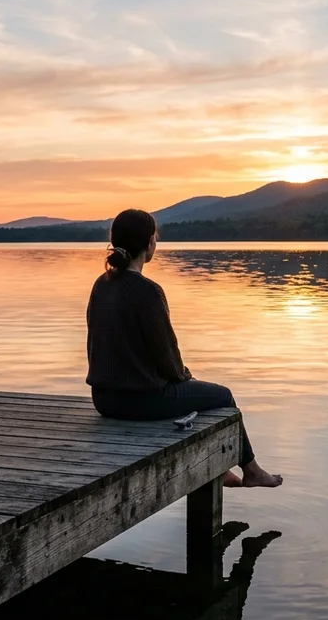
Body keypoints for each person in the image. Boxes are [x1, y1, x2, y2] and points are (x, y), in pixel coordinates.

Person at [86, 209, 283, 488]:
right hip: (141, 401)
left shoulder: (101, 284)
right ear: (150, 243)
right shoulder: (147, 291)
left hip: (103, 400)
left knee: (194, 395)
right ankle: (251, 469)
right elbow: (167, 356)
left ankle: (219, 467)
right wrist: (184, 377)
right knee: (221, 396)